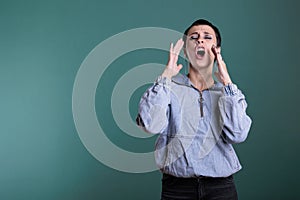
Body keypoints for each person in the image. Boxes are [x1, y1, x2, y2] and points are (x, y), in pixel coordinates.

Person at [136, 19, 252, 200]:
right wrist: (166, 75)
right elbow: (150, 125)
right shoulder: (168, 88)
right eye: (194, 38)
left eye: (207, 37)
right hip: (177, 189)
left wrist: (227, 82)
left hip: (221, 188)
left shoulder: (227, 93)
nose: (200, 41)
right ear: (185, 50)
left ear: (216, 50)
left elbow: (238, 134)